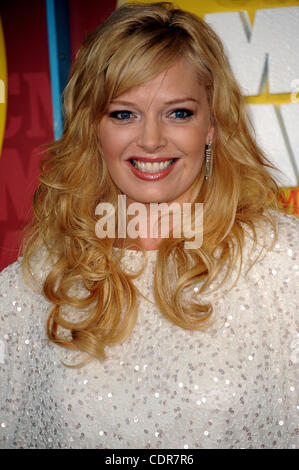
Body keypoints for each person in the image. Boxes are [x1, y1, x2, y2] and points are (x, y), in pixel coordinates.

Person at [0, 1, 298, 450]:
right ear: (92, 128)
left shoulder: (283, 264)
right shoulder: (39, 282)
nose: (152, 139)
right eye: (124, 113)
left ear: (212, 124)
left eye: (179, 113)